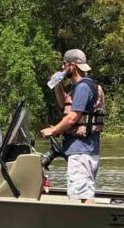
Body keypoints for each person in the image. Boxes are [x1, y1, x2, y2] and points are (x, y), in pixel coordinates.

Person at [39, 49, 105, 204]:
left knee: (81, 195)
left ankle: (86, 225)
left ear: (72, 66)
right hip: (85, 149)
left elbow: (72, 117)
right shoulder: (83, 86)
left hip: (81, 150)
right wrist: (57, 85)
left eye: (64, 64)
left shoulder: (82, 87)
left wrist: (53, 130)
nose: (62, 68)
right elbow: (65, 104)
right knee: (83, 190)